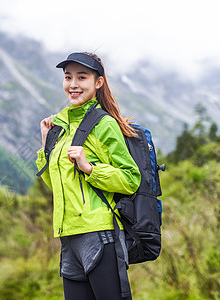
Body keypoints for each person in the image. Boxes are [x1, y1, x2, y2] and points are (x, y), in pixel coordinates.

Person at [36, 52, 141, 300]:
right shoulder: (61, 127)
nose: (73, 84)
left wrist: (90, 168)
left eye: (81, 77)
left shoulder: (104, 124)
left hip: (99, 235)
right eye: (68, 77)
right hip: (69, 238)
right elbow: (56, 185)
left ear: (98, 83)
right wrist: (45, 146)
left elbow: (130, 179)